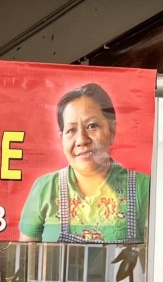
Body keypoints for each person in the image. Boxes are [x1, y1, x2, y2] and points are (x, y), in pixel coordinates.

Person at [19, 83, 150, 243]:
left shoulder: (144, 188)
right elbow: (26, 262)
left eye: (92, 126)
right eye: (71, 130)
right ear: (61, 139)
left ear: (112, 131)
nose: (81, 140)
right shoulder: (45, 188)